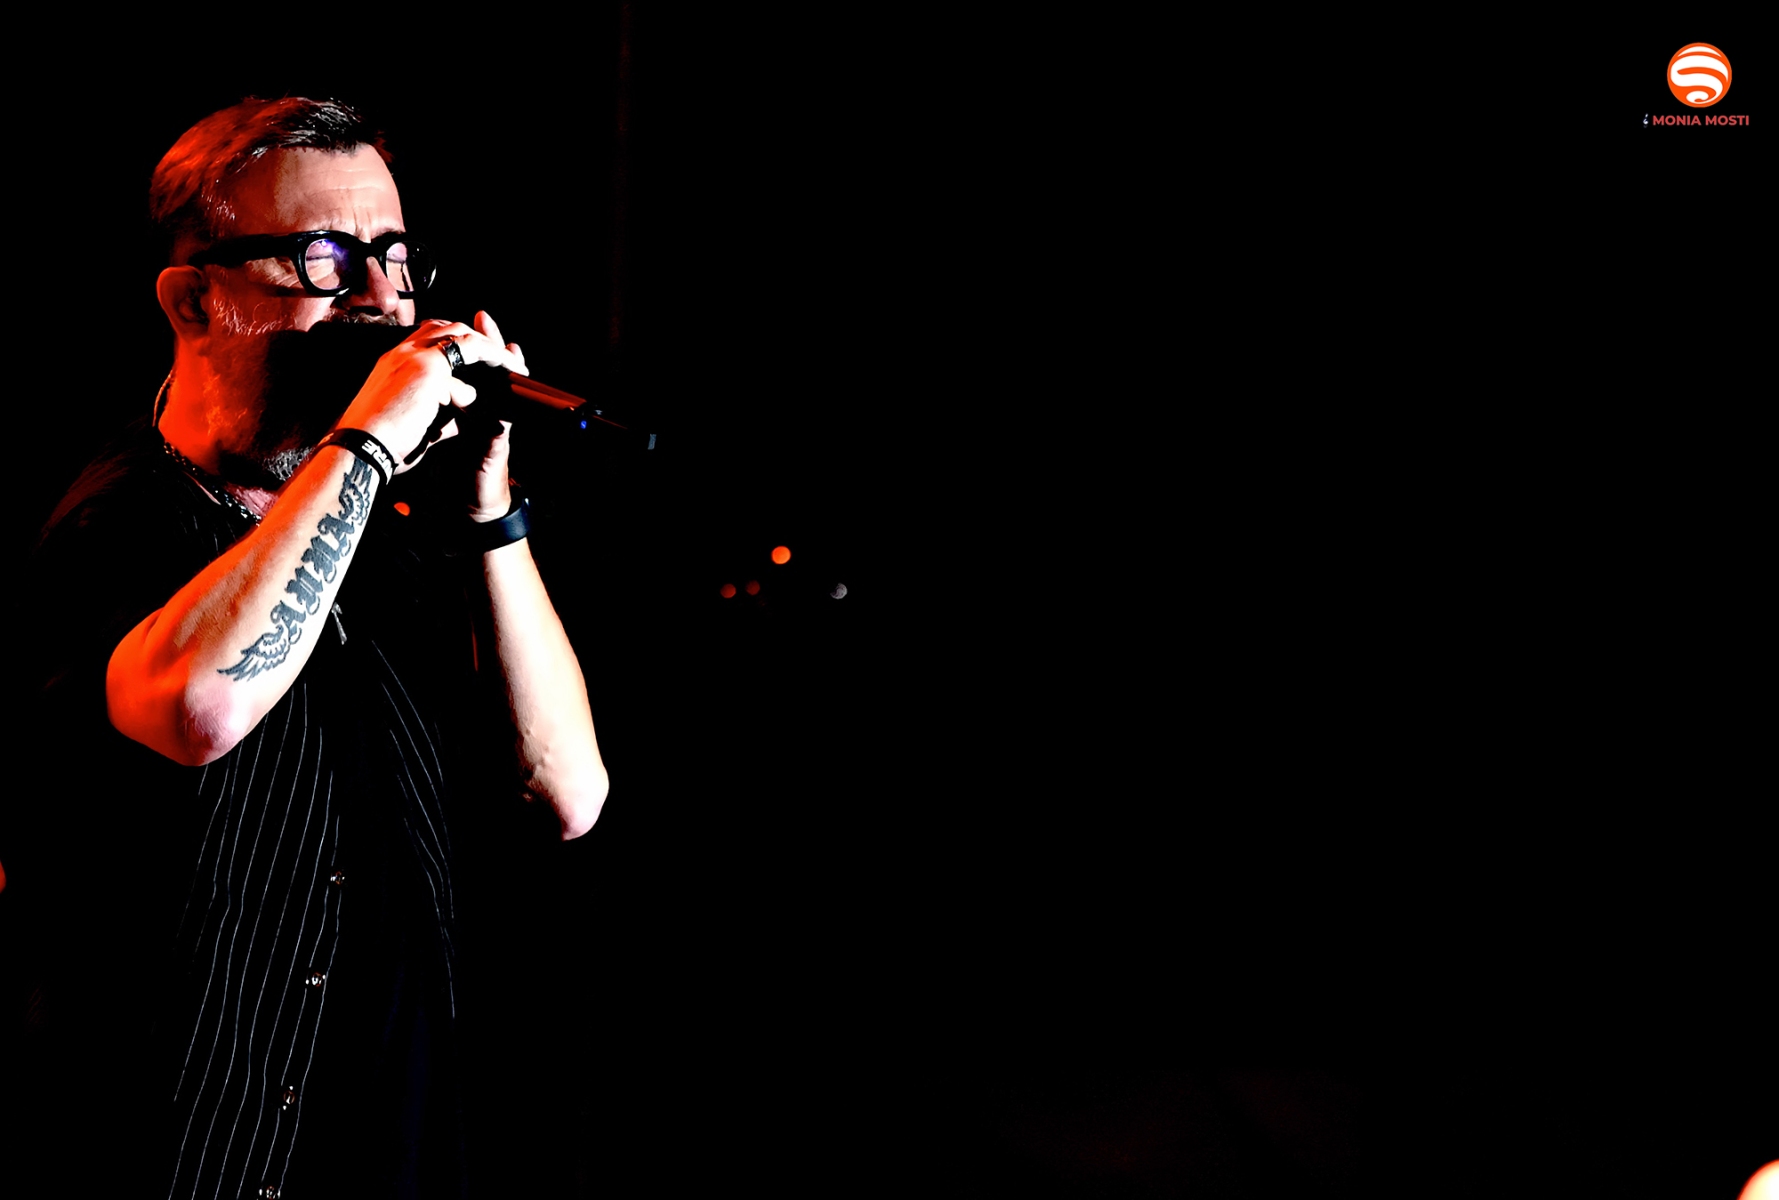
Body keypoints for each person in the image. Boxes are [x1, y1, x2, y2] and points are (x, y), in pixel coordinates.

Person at [21, 96, 605, 1198]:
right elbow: (198, 708)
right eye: (324, 259)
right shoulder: (114, 525)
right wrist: (371, 440)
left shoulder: (403, 535)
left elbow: (567, 793)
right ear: (196, 300)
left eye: (394, 257)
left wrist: (486, 508)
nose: (382, 298)